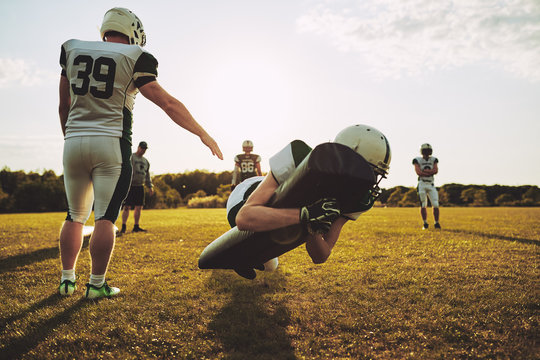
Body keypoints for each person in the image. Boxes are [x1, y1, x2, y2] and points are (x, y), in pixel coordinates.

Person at [58, 7, 223, 299]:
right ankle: (96, 285)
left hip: (73, 141)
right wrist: (202, 132)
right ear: (132, 31)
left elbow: (64, 105)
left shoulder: (72, 49)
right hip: (111, 144)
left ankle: (67, 280)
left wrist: (70, 137)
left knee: (74, 216)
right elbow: (167, 103)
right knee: (106, 218)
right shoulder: (136, 57)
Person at [226, 124, 391, 279]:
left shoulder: (358, 199)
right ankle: (245, 255)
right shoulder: (300, 157)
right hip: (245, 196)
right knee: (265, 255)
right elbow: (244, 218)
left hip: (279, 213)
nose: (371, 182)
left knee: (270, 265)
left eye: (376, 175)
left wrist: (314, 228)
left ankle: (253, 256)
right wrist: (306, 214)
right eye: (370, 173)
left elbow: (321, 256)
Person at [120, 141, 153, 233]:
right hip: (130, 185)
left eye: (145, 149)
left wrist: (150, 186)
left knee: (139, 207)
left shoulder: (146, 161)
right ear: (138, 147)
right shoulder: (131, 157)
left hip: (140, 186)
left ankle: (136, 226)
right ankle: (123, 225)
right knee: (127, 206)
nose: (143, 150)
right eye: (142, 148)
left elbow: (147, 175)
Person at [412, 143, 441, 230]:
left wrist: (424, 172)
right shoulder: (417, 160)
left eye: (428, 151)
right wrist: (429, 172)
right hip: (422, 183)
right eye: (425, 151)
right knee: (423, 204)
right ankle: (425, 223)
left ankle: (436, 223)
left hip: (431, 184)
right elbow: (418, 172)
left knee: (435, 204)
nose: (427, 152)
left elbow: (435, 171)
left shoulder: (434, 159)